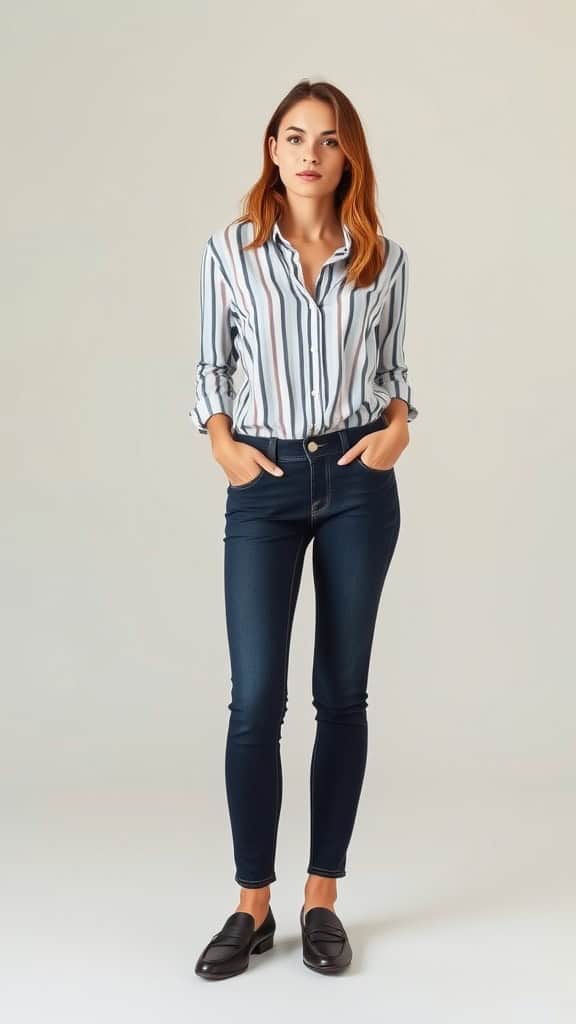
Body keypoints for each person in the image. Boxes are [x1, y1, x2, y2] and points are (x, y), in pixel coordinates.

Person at [189, 78, 418, 980]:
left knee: (344, 694)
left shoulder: (383, 257)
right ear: (273, 149)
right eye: (295, 137)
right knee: (256, 701)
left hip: (361, 479)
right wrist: (224, 446)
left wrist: (398, 428)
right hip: (267, 481)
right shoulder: (230, 253)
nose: (311, 153)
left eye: (328, 139)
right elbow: (210, 367)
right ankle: (253, 904)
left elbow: (397, 367)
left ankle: (323, 896)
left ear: (347, 154)